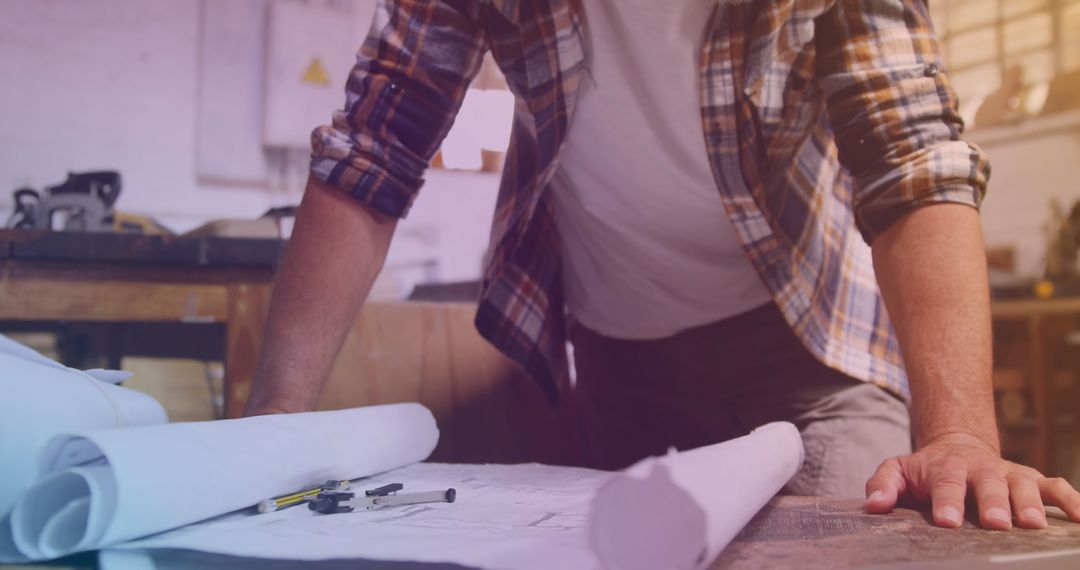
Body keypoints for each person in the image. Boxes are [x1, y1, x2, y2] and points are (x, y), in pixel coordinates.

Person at [244, 0, 1080, 530]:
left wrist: (960, 434)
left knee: (862, 543)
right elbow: (371, 154)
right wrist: (273, 429)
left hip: (809, 360)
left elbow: (912, 163)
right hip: (616, 360)